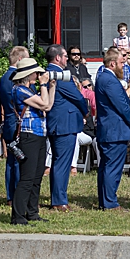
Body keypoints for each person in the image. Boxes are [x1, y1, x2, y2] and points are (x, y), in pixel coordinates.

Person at [9, 57, 57, 225]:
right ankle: (18, 216)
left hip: (39, 135)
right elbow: (43, 105)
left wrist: (51, 87)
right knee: (27, 178)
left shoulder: (31, 90)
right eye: (36, 72)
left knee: (37, 177)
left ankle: (32, 212)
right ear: (28, 74)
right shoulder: (19, 90)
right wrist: (44, 85)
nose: (39, 75)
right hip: (28, 136)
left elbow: (48, 106)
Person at [44, 44, 88, 212]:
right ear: (57, 58)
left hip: (60, 123)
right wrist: (85, 112)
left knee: (58, 162)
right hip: (64, 124)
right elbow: (77, 96)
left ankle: (58, 197)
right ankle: (59, 200)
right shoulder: (60, 75)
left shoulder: (50, 73)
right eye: (64, 56)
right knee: (62, 163)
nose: (67, 59)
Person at [95, 47, 130, 210]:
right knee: (112, 167)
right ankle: (110, 202)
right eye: (121, 63)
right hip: (114, 131)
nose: (123, 66)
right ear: (112, 63)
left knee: (106, 167)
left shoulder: (104, 78)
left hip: (110, 130)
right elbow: (123, 106)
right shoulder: (109, 80)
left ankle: (105, 201)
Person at [0, 46, 28, 205]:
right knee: (18, 160)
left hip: (9, 120)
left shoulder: (4, 77)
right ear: (20, 60)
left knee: (11, 160)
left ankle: (11, 195)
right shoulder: (16, 78)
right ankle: (16, 195)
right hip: (17, 121)